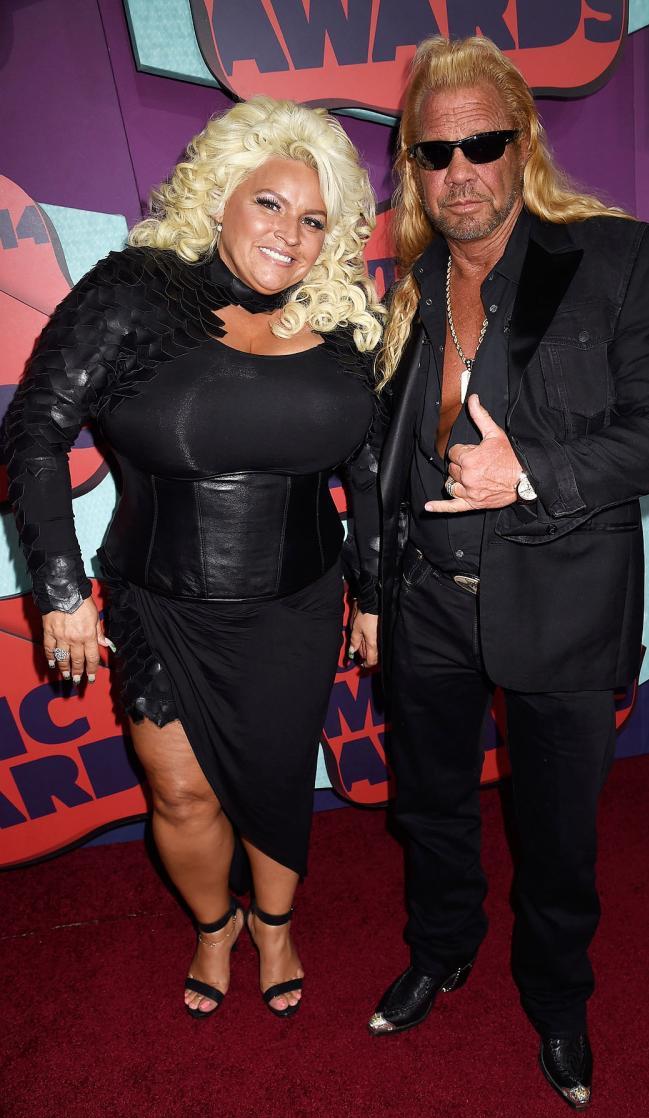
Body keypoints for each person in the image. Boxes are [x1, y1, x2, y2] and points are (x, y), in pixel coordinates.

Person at [368, 36, 649, 1109]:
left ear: (524, 143)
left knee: (558, 832)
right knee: (430, 805)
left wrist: (530, 472)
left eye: (483, 143)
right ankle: (442, 947)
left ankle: (558, 997)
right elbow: (381, 456)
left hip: (560, 598)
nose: (460, 170)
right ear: (413, 167)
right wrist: (373, 593)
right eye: (435, 152)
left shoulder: (618, 256)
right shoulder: (412, 284)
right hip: (427, 598)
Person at [3, 96, 383, 1021]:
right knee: (178, 791)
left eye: (314, 219)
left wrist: (374, 592)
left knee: (281, 774)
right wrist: (60, 589)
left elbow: (369, 470)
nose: (290, 233)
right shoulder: (138, 289)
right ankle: (216, 925)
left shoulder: (339, 317)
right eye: (270, 203)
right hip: (160, 602)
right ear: (221, 196)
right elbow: (37, 426)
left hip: (299, 602)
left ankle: (276, 926)